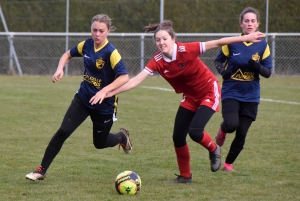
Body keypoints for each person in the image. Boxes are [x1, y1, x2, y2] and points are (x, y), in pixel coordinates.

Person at [94, 20, 266, 183]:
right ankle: (185, 176)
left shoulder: (187, 49)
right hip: (190, 96)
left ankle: (214, 149)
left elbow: (219, 42)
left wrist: (245, 38)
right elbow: (134, 81)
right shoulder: (157, 60)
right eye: (158, 40)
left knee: (195, 131)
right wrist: (109, 92)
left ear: (173, 39)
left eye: (165, 39)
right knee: (178, 136)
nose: (161, 43)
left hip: (208, 91)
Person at [25, 14, 132, 181]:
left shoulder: (111, 52)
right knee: (63, 131)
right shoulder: (87, 45)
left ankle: (122, 137)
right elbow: (67, 54)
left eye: (101, 31)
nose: (97, 34)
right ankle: (41, 170)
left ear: (108, 32)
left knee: (100, 143)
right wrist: (60, 68)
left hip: (104, 105)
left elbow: (124, 77)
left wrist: (104, 91)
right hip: (83, 98)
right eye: (94, 30)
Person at [214, 7, 272, 172]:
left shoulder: (263, 46)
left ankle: (227, 164)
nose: (249, 23)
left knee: (241, 135)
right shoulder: (232, 42)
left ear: (257, 24)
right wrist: (224, 72)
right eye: (246, 21)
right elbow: (218, 61)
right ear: (241, 24)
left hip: (251, 96)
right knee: (232, 124)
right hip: (232, 92)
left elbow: (267, 73)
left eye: (253, 21)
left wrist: (257, 66)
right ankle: (223, 129)